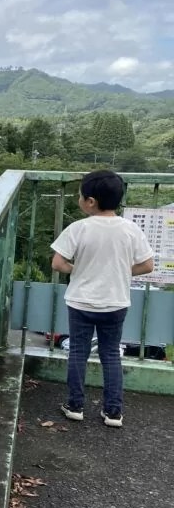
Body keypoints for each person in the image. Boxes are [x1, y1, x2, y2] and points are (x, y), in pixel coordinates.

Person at [51, 170, 154, 428]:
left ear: (90, 201)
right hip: (115, 302)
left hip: (80, 301)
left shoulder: (78, 228)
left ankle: (74, 406)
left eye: (80, 195)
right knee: (111, 354)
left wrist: (80, 270)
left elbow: (58, 262)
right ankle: (113, 413)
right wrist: (118, 270)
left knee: (78, 352)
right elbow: (147, 265)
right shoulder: (130, 229)